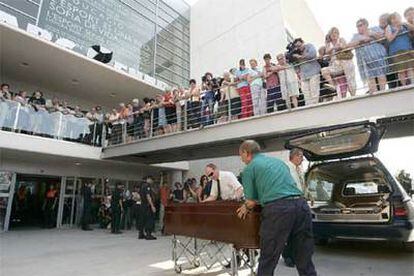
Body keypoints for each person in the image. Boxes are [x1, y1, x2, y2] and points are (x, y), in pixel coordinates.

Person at [236, 140, 316, 276]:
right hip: (301, 206)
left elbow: (250, 201)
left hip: (278, 210)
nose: (241, 159)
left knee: (269, 256)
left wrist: (244, 207)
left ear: (246, 152)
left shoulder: (249, 169)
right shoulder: (279, 163)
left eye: (240, 155)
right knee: (303, 255)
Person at [283, 148, 315, 268]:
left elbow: (302, 184)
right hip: (290, 202)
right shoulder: (286, 168)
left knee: (299, 232)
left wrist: (308, 195)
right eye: (301, 156)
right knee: (291, 232)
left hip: (300, 202)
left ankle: (297, 255)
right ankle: (287, 256)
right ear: (295, 156)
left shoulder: (299, 169)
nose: (303, 159)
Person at [348, 18, 388, 93]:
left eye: (360, 25)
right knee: (370, 78)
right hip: (365, 61)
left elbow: (383, 38)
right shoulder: (356, 36)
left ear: (366, 25)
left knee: (381, 75)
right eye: (357, 26)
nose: (359, 28)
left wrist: (372, 35)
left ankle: (383, 92)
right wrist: (360, 41)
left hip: (378, 58)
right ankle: (375, 94)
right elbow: (349, 46)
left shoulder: (374, 29)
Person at [322, 27, 357, 98]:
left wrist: (339, 47)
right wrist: (333, 48)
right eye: (332, 33)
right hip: (335, 64)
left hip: (344, 61)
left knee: (350, 79)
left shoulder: (341, 39)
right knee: (324, 71)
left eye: (335, 33)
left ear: (338, 34)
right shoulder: (329, 43)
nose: (334, 35)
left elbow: (345, 46)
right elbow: (327, 52)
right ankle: (333, 86)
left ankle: (353, 95)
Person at [385, 12, 414, 86]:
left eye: (397, 17)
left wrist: (406, 24)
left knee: (410, 68)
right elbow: (389, 39)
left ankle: (412, 84)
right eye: (393, 18)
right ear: (390, 20)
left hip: (408, 49)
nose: (395, 19)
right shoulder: (389, 27)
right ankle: (404, 86)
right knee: (401, 71)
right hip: (397, 51)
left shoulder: (404, 25)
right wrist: (397, 30)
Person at [292, 38, 321, 105]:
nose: (298, 47)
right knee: (306, 95)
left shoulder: (309, 46)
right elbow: (295, 65)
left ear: (303, 43)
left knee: (314, 93)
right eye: (296, 46)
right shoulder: (296, 52)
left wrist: (300, 57)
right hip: (304, 76)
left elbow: (312, 54)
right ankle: (309, 109)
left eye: (299, 45)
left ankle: (315, 108)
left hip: (313, 73)